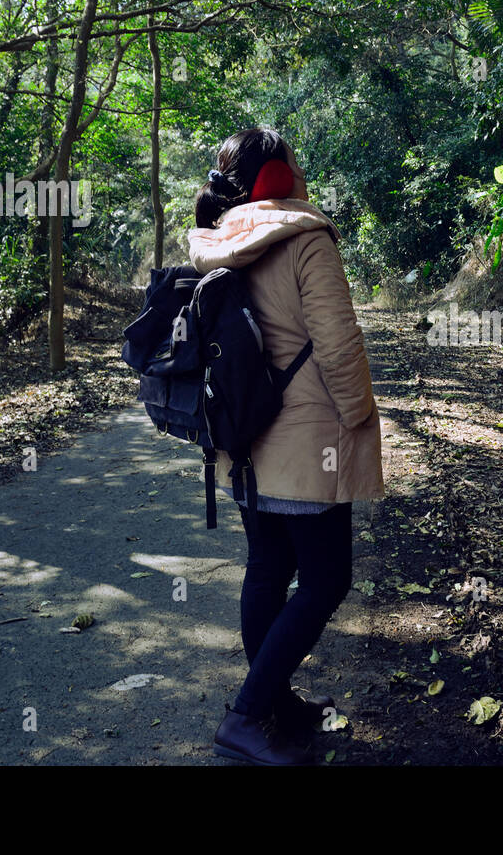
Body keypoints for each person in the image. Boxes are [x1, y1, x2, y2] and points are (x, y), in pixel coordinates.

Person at [187, 126, 384, 765]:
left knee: (269, 569)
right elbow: (338, 343)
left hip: (244, 440)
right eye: (294, 163)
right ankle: (245, 716)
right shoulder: (307, 239)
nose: (301, 172)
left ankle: (274, 704)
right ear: (278, 176)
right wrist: (359, 417)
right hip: (308, 443)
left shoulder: (222, 242)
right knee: (327, 576)